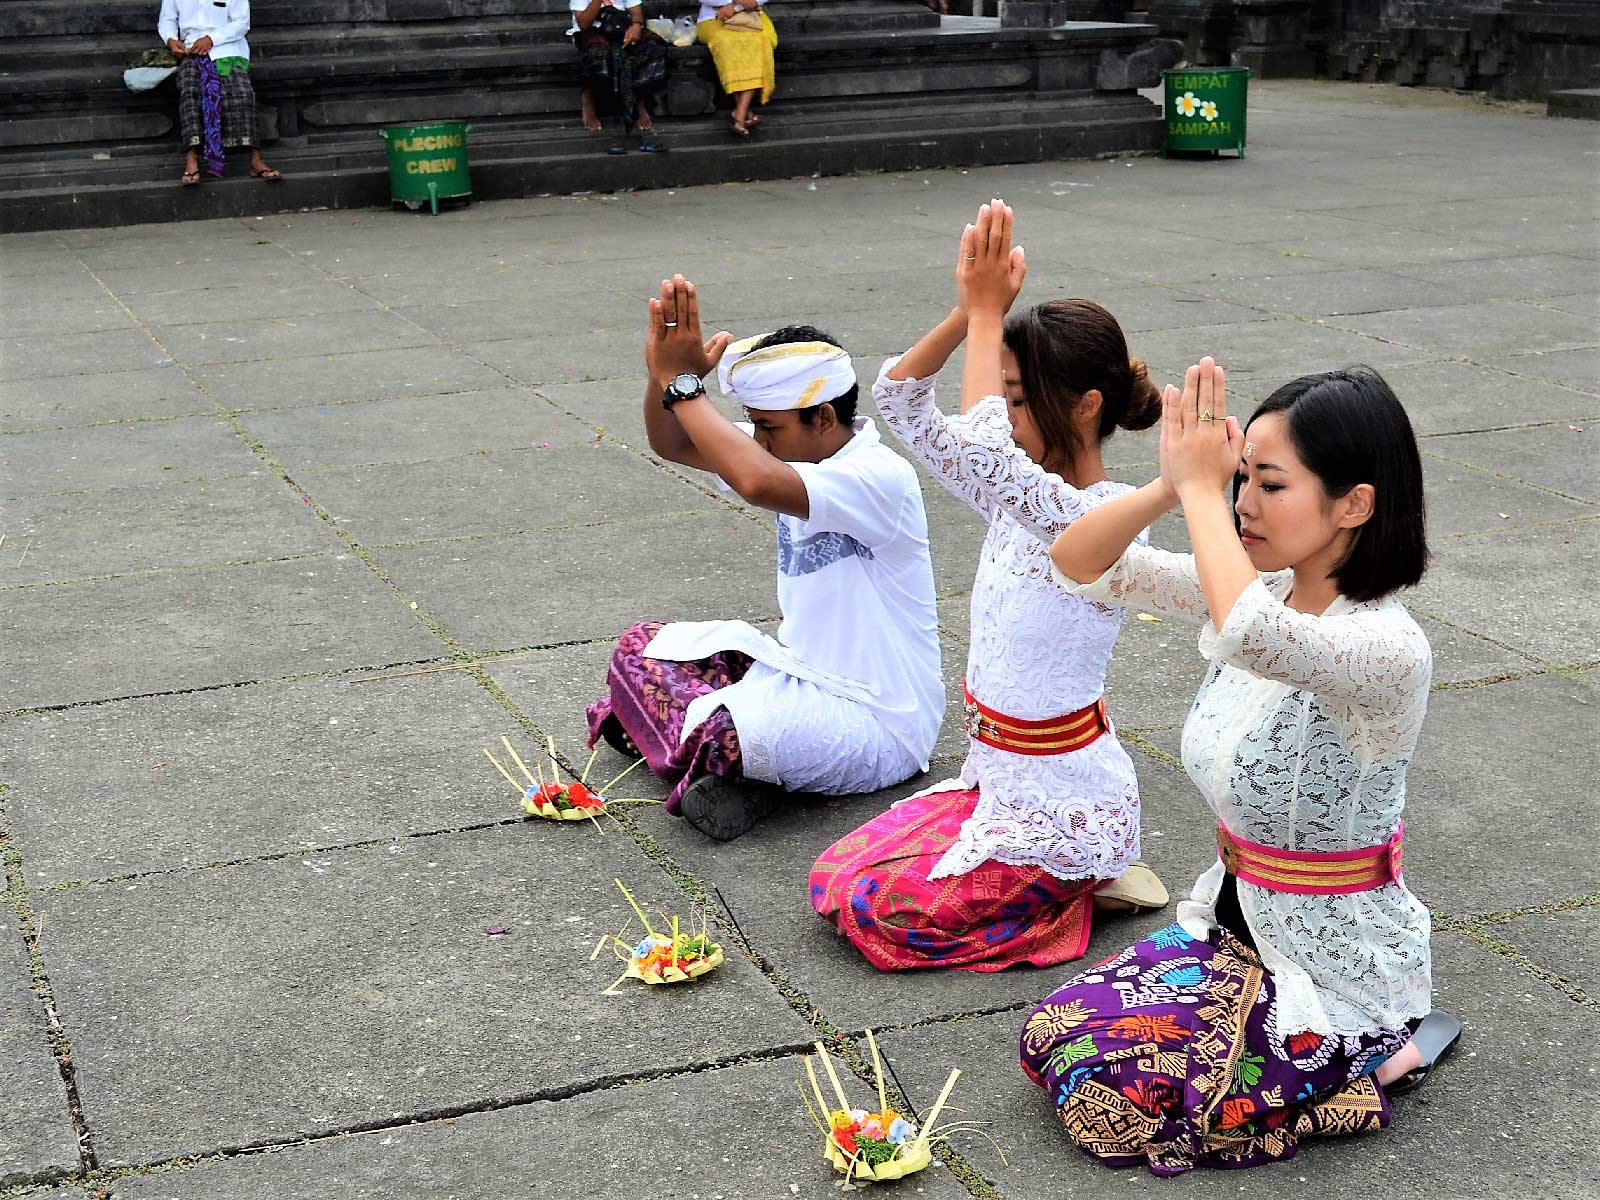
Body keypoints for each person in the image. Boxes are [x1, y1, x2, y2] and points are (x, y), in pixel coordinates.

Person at [1015, 352, 1460, 1174]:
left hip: (1335, 970)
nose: (1243, 504)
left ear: (1355, 503)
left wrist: (1198, 496)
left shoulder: (1386, 646)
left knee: (1120, 1093)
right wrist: (1169, 483)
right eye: (1238, 477)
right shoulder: (1269, 591)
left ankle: (1384, 1046)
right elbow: (1079, 562)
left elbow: (1251, 633)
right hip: (1236, 926)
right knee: (1055, 1031)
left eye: (1271, 484)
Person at [809, 201, 1170, 972]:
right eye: (1000, 394)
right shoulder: (1014, 497)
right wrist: (973, 312)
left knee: (884, 913)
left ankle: (1089, 874)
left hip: (1066, 805)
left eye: (1015, 396)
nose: (1002, 412)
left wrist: (984, 316)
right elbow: (902, 400)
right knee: (836, 880)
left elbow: (981, 450)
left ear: (1084, 406)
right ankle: (1078, 881)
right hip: (995, 784)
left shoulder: (1095, 520)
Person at [584, 275, 944, 842]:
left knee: (721, 730)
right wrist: (663, 379)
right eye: (754, 424)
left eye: (769, 426)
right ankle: (744, 771)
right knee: (640, 646)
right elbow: (673, 444)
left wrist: (683, 386)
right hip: (798, 678)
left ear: (824, 418)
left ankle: (726, 760)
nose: (759, 438)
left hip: (879, 725)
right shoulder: (793, 457)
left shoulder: (878, 477)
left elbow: (753, 479)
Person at [158, 0, 281, 186]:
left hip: (227, 49)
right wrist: (171, 39)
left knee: (242, 93)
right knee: (190, 90)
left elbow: (241, 23)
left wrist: (211, 39)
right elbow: (167, 20)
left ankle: (255, 159)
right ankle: (192, 159)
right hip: (191, 51)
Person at [568, 0, 667, 153]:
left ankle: (639, 102)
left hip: (622, 28)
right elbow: (584, 24)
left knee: (652, 47)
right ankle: (588, 97)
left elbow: (636, 14)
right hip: (593, 31)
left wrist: (635, 27)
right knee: (598, 54)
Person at [696, 0, 777, 137]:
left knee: (759, 41)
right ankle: (743, 113)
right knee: (727, 42)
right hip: (714, 18)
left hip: (752, 17)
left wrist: (736, 6)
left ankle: (739, 113)